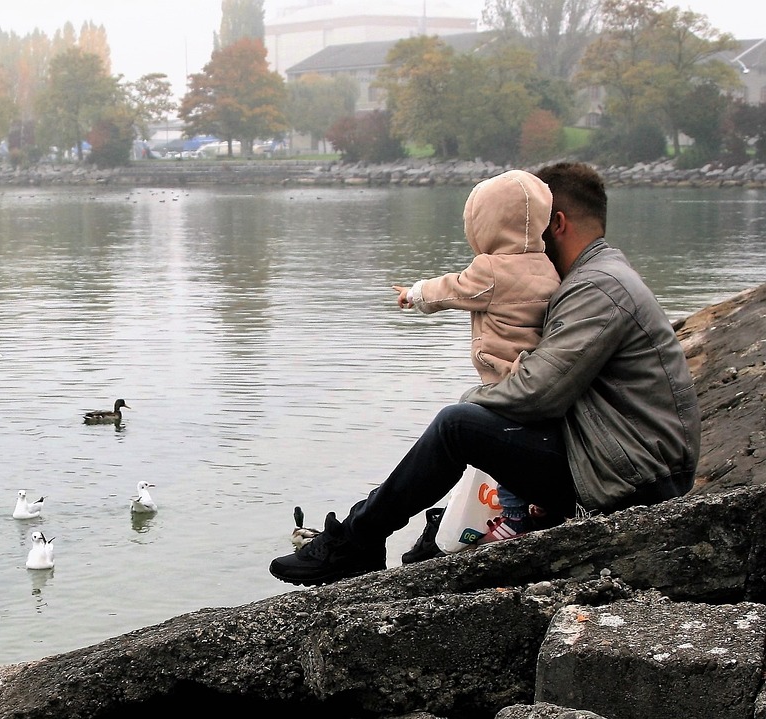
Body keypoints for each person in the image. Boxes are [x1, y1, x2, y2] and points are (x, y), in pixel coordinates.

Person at [270, 161, 701, 587]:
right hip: (626, 463)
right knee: (476, 425)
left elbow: (538, 393)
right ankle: (402, 536)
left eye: (532, 232)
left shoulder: (599, 286)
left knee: (458, 425)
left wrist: (471, 403)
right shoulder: (592, 279)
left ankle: (356, 540)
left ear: (557, 223)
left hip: (638, 480)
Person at [392, 169, 562, 545]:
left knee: (496, 450)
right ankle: (538, 504)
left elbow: (452, 289)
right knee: (518, 446)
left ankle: (514, 520)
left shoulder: (491, 269)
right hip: (537, 376)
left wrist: (414, 294)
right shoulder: (549, 266)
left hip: (504, 379)